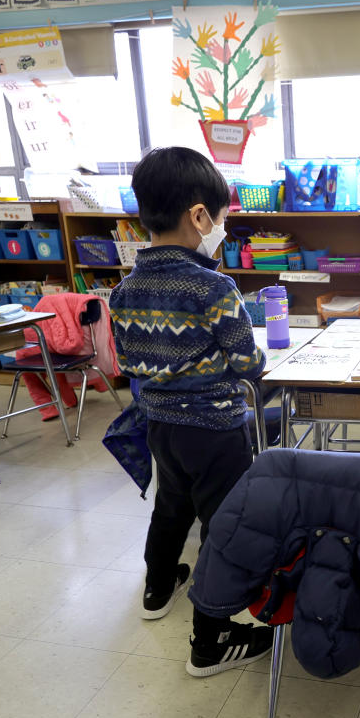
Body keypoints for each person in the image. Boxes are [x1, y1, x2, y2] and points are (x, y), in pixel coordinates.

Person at [109, 146, 273, 676]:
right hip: (215, 432)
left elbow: (126, 360)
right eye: (221, 217)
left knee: (171, 507)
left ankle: (158, 589)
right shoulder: (214, 286)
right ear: (199, 215)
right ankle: (211, 638)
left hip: (159, 425)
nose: (221, 228)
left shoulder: (124, 290)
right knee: (224, 525)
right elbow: (247, 363)